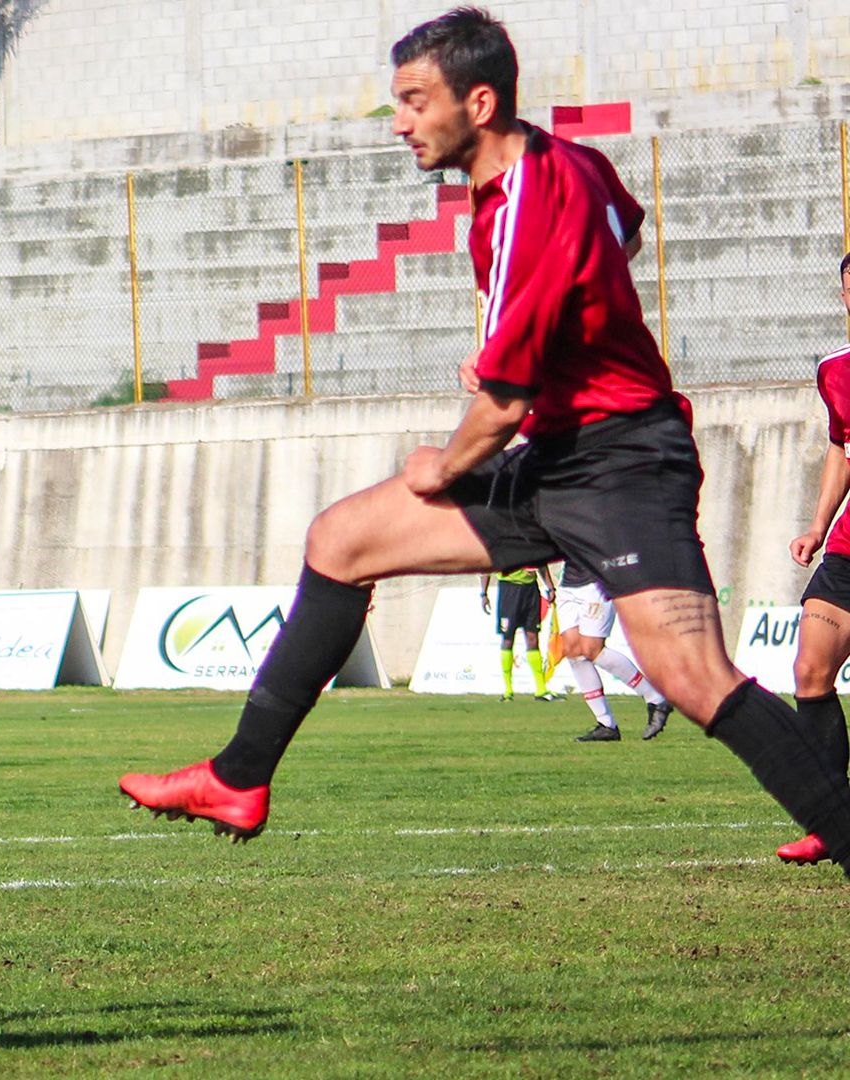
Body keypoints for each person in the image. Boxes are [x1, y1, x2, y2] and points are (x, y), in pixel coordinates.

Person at [118, 7, 850, 876]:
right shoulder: (569, 162)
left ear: (479, 99)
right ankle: (237, 778)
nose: (399, 122)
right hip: (559, 456)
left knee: (696, 678)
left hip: (622, 462)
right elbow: (628, 225)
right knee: (340, 541)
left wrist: (446, 460)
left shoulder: (524, 204)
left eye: (414, 101)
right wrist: (564, 338)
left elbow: (500, 405)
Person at [776, 254, 850, 865]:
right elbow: (840, 449)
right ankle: (833, 824)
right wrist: (818, 525)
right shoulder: (835, 371)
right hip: (849, 550)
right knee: (809, 671)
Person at [556, 561, 672, 741]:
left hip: (597, 582)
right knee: (573, 651)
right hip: (568, 584)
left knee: (591, 649)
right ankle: (606, 725)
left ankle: (655, 699)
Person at [479, 564, 558, 701]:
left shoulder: (532, 543)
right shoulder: (503, 543)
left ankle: (541, 689)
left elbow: (541, 564)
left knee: (533, 637)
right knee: (508, 637)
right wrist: (483, 593)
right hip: (509, 589)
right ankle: (508, 691)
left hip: (531, 590)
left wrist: (550, 587)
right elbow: (487, 565)